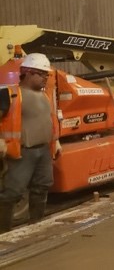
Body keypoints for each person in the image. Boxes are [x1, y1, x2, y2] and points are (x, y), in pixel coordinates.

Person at [0, 54, 61, 233]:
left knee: (42, 186)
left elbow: (49, 121)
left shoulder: (45, 96)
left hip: (43, 150)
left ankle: (36, 226)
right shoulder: (9, 94)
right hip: (22, 152)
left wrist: (55, 142)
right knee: (12, 193)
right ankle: (4, 233)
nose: (45, 78)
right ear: (27, 73)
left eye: (46, 75)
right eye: (41, 74)